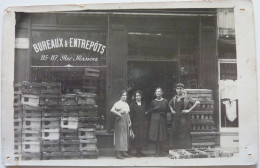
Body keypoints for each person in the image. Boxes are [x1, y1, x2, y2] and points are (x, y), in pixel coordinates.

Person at [169, 83, 200, 149]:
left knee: (183, 134)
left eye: (180, 89)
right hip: (176, 118)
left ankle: (184, 150)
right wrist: (172, 111)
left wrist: (189, 110)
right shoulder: (175, 98)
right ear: (176, 90)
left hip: (184, 119)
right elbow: (170, 104)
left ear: (183, 89)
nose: (179, 90)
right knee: (175, 133)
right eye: (177, 89)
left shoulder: (187, 97)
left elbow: (197, 102)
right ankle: (176, 150)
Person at [146, 87, 168, 157]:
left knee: (161, 135)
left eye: (159, 91)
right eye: (156, 92)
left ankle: (160, 151)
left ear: (162, 93)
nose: (158, 93)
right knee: (155, 135)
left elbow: (167, 110)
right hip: (154, 119)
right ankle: (157, 152)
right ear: (155, 93)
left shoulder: (165, 101)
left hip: (162, 119)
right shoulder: (153, 102)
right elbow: (151, 110)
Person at [110, 90, 132, 159]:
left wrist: (129, 121)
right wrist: (119, 114)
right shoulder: (118, 103)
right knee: (119, 136)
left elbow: (127, 113)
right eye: (123, 95)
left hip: (125, 119)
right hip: (120, 120)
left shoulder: (126, 104)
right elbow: (112, 110)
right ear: (120, 96)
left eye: (125, 95)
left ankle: (123, 152)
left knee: (125, 135)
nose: (124, 97)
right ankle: (118, 153)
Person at [129, 91, 146, 157]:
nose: (138, 97)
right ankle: (137, 152)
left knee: (142, 137)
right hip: (135, 123)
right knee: (137, 137)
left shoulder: (143, 103)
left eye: (139, 95)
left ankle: (140, 151)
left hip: (142, 123)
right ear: (135, 97)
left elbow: (145, 113)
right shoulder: (132, 104)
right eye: (137, 96)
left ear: (141, 96)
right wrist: (134, 121)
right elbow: (131, 114)